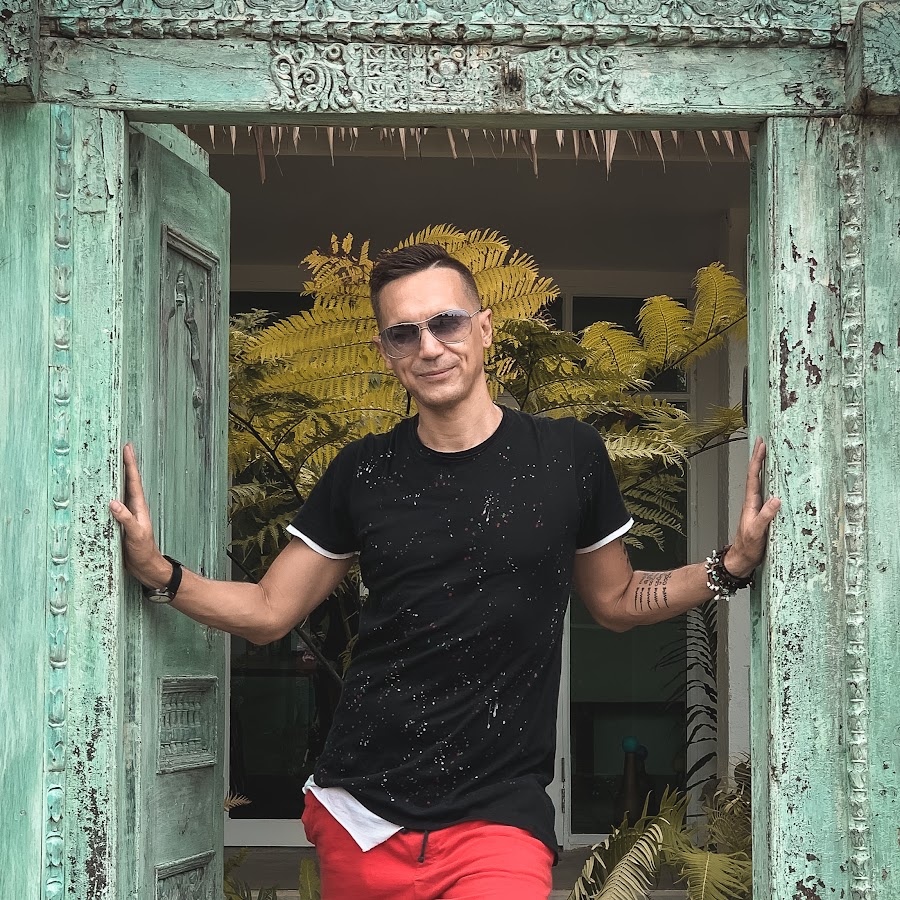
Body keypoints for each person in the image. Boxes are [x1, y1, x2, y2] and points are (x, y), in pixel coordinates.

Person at [110, 244, 780, 900]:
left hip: (499, 816)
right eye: (403, 333)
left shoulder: (567, 456)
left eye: (446, 323)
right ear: (386, 352)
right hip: (363, 816)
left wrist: (730, 566)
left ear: (483, 328)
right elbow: (268, 611)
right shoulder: (363, 472)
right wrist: (160, 572)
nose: (428, 347)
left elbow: (619, 598)